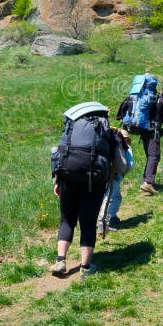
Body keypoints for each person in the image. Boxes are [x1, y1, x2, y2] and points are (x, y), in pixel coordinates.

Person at [49, 102, 127, 276]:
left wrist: (57, 180)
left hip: (67, 178)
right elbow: (122, 167)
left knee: (67, 219)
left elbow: (60, 154)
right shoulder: (108, 132)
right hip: (94, 183)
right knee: (88, 223)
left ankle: (60, 260)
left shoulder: (71, 127)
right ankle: (85, 268)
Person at [97, 128, 134, 232]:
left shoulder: (108, 144)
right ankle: (102, 221)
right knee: (110, 197)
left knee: (116, 196)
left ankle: (112, 217)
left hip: (105, 172)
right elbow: (130, 164)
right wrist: (123, 173)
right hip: (116, 174)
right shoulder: (125, 147)